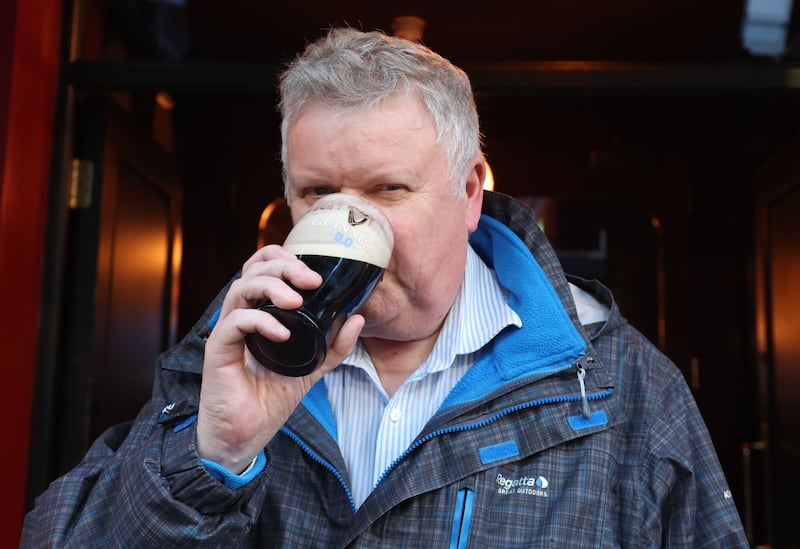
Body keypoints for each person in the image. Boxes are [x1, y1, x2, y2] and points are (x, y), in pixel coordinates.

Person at [23, 28, 747, 547]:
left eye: (387, 189)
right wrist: (212, 458)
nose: (345, 223)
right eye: (317, 193)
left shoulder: (619, 389)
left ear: (469, 193)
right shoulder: (222, 362)